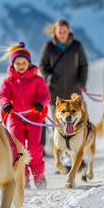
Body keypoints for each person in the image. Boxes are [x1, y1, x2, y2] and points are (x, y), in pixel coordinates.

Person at [0, 42, 51, 189]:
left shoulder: (37, 80)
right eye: (17, 62)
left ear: (29, 63)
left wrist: (40, 103)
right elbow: (3, 95)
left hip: (34, 118)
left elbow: (45, 95)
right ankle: (23, 179)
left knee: (34, 148)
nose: (21, 65)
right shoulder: (8, 81)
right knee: (18, 149)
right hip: (16, 118)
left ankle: (39, 177)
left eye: (24, 62)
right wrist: (6, 104)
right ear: (13, 64)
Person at [39, 19, 89, 148]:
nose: (62, 34)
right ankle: (62, 154)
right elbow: (42, 65)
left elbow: (83, 65)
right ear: (55, 32)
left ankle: (78, 153)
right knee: (59, 125)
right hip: (55, 93)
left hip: (74, 92)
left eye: (64, 31)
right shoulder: (49, 46)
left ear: (69, 32)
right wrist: (48, 77)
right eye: (59, 32)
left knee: (79, 123)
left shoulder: (77, 46)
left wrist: (82, 82)